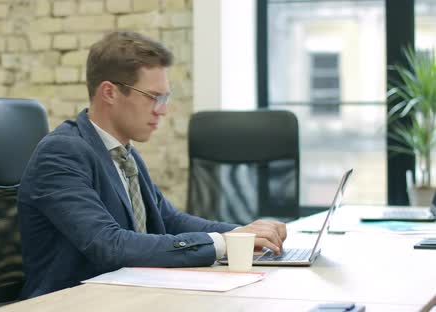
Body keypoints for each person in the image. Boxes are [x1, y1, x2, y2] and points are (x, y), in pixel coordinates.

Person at [18, 31, 287, 299]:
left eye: (164, 98)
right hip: (71, 302)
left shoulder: (123, 153)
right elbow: (109, 245)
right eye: (153, 97)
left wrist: (241, 234)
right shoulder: (62, 152)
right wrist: (220, 244)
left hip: (126, 297)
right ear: (109, 92)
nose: (162, 110)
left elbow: (169, 220)